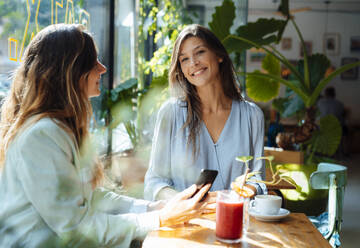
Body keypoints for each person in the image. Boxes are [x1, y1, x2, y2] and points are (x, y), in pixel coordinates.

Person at [0, 24, 213, 247]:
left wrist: (155, 208)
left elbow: (91, 197)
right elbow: (75, 229)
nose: (102, 68)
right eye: (93, 63)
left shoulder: (57, 128)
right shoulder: (41, 136)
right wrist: (159, 218)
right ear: (70, 70)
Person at [144, 24, 267, 201]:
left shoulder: (252, 116)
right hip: (186, 222)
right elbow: (154, 182)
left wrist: (235, 196)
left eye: (200, 52)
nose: (193, 63)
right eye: (184, 59)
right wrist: (185, 201)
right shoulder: (170, 114)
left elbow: (258, 179)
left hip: (236, 221)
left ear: (219, 56)